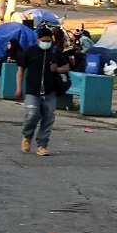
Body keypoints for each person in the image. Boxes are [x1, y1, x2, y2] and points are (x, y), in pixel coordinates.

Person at [15, 27, 69, 156]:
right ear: (38, 39)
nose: (46, 43)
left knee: (49, 117)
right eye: (43, 40)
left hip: (50, 90)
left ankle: (42, 145)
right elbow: (20, 70)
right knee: (32, 115)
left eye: (48, 41)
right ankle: (27, 135)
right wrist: (19, 88)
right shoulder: (30, 52)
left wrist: (57, 69)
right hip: (32, 90)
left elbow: (66, 67)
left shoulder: (55, 52)